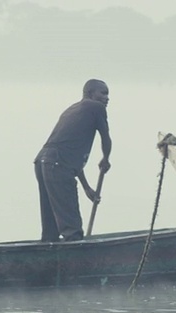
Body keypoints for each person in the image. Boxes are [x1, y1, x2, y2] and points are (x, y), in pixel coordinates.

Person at [34, 79, 112, 242]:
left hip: (43, 162)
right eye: (103, 93)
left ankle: (49, 254)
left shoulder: (73, 109)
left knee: (51, 228)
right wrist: (106, 158)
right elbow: (105, 137)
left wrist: (86, 187)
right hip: (56, 164)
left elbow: (70, 156)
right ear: (90, 93)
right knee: (71, 226)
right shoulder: (95, 107)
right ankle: (75, 256)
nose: (107, 98)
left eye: (107, 94)